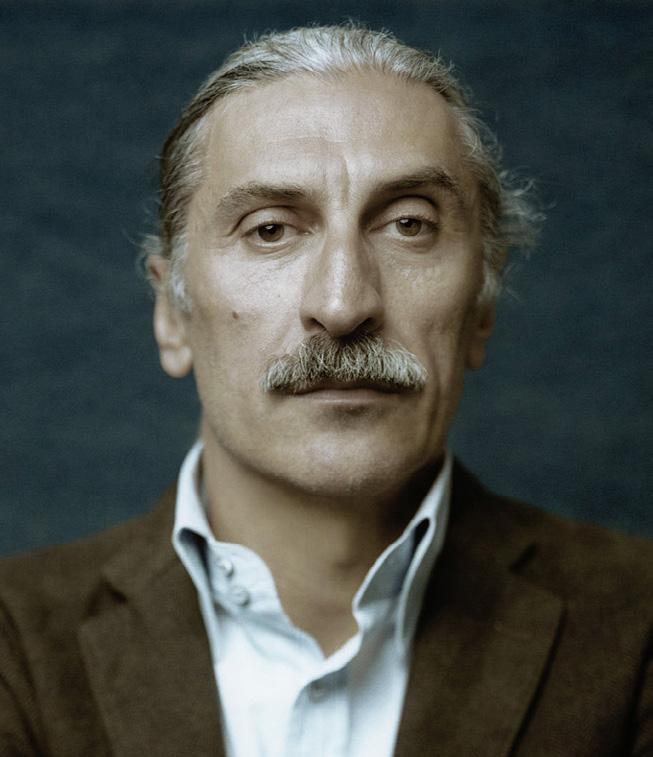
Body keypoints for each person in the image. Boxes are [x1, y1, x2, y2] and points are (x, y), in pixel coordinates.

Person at [0, 24, 651, 757]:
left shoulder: (637, 625)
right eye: (270, 230)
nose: (343, 305)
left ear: (481, 307)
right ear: (172, 314)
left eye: (409, 225)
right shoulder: (14, 645)